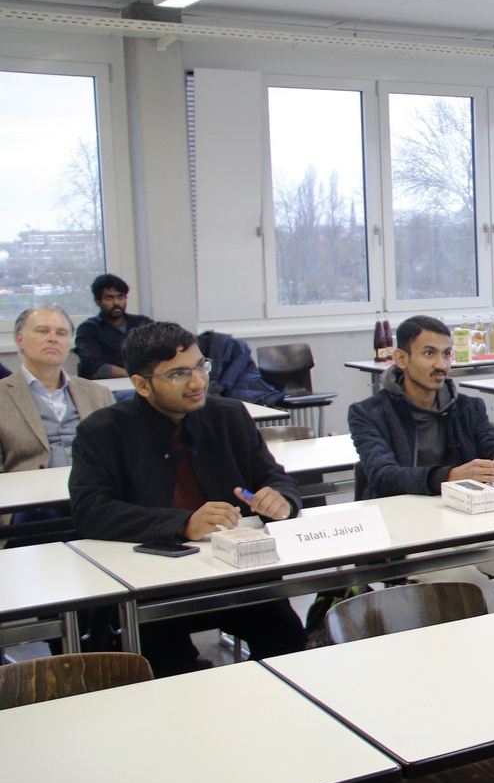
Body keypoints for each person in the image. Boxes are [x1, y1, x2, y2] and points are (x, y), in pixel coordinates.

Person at [69, 322, 307, 676]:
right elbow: (90, 511)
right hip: (151, 590)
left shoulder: (228, 416)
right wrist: (181, 523)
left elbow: (272, 477)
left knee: (287, 638)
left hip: (230, 575)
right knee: (169, 666)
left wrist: (282, 500)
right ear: (141, 384)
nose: (198, 383)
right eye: (179, 374)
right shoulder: (103, 431)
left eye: (200, 366)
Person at [348, 315, 494, 607]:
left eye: (446, 354)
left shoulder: (468, 407)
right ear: (401, 359)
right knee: (474, 584)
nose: (441, 365)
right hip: (407, 535)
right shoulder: (369, 413)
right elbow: (383, 475)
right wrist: (450, 475)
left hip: (467, 525)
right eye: (429, 353)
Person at [1, 306, 114, 475]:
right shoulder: (3, 394)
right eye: (42, 331)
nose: (53, 338)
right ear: (20, 339)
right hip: (29, 496)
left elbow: (119, 456)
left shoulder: (99, 394)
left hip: (95, 495)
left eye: (61, 333)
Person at [74, 273, 153, 379]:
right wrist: (134, 376)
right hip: (109, 387)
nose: (116, 302)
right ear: (97, 301)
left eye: (120, 297)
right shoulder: (88, 329)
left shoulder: (143, 323)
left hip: (143, 383)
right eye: (109, 298)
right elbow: (93, 367)